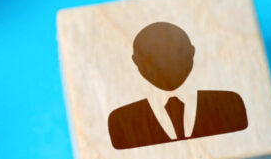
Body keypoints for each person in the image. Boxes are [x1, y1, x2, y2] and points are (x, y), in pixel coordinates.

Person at [106, 21, 248, 150]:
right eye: (152, 57)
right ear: (135, 61)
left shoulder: (229, 104)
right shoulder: (121, 121)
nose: (163, 64)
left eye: (175, 52)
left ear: (192, 52)